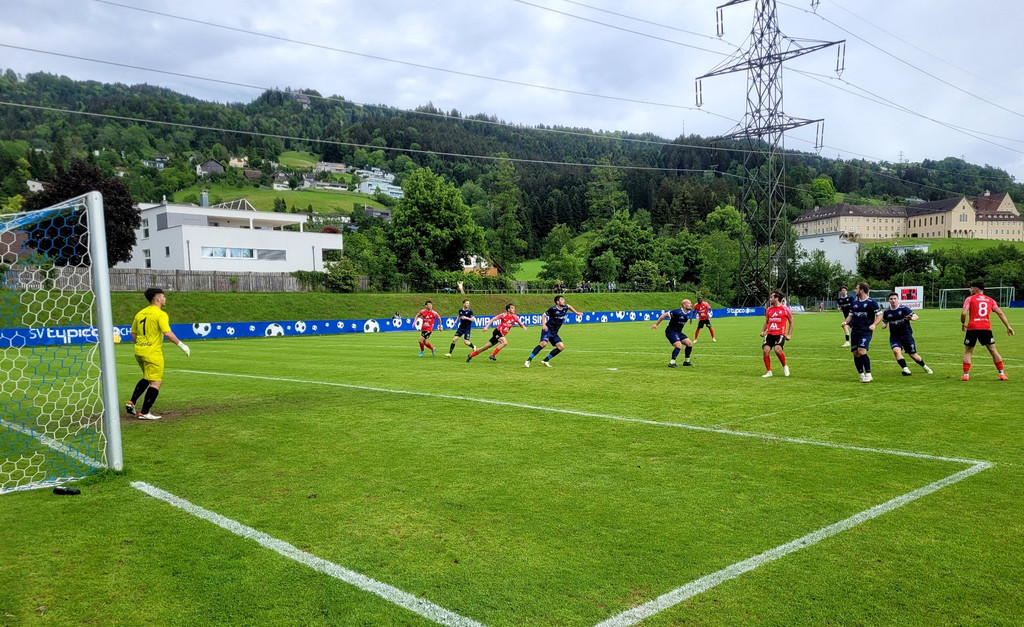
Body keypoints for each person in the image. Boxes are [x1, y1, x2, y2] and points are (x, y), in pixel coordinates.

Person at [125, 288, 190, 420]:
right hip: (152, 353)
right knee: (156, 382)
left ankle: (131, 402)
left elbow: (133, 333)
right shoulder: (160, 314)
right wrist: (182, 346)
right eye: (164, 297)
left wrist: (141, 344)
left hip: (139, 351)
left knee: (147, 377)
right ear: (158, 299)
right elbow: (167, 333)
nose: (165, 299)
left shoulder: (140, 313)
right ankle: (144, 413)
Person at [961, 280, 1015, 381]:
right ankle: (1002, 374)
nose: (970, 290)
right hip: (985, 328)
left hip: (972, 328)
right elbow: (1000, 313)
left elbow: (964, 313)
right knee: (993, 350)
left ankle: (966, 375)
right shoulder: (990, 300)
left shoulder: (970, 299)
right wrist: (1008, 326)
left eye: (971, 288)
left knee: (968, 351)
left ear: (976, 289)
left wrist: (963, 323)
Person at [880, 292, 933, 376]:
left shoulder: (904, 309)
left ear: (898, 299)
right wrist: (884, 325)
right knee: (896, 351)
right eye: (891, 299)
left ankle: (925, 367)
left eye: (895, 299)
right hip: (895, 336)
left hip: (906, 335)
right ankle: (906, 369)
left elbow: (916, 316)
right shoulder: (887, 312)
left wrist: (911, 318)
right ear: (888, 300)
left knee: (913, 355)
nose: (893, 300)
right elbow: (885, 321)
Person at [525, 295, 582, 368]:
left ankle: (545, 360)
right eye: (562, 300)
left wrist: (576, 313)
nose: (564, 301)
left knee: (561, 347)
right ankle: (529, 360)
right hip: (548, 330)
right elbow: (543, 315)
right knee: (543, 344)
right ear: (557, 302)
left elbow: (569, 306)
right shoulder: (553, 309)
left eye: (563, 299)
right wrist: (544, 325)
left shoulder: (565, 307)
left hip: (554, 332)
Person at [843, 281, 883, 383]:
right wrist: (845, 322)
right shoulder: (854, 303)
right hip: (855, 331)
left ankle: (869, 374)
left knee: (861, 351)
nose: (855, 290)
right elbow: (850, 316)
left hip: (866, 331)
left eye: (856, 289)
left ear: (861, 290)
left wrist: (874, 324)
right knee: (855, 353)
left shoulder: (871, 302)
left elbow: (879, 315)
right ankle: (861, 374)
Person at [650, 299, 695, 368]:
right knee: (678, 345)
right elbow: (664, 315)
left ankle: (686, 361)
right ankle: (672, 363)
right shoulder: (676, 312)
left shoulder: (688, 313)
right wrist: (656, 324)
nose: (691, 305)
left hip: (678, 332)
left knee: (689, 343)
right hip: (670, 331)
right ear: (684, 305)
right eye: (689, 303)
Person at [760, 290, 793, 377]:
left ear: (776, 298)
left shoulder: (785, 310)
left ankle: (785, 366)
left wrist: (789, 334)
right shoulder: (769, 310)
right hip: (770, 333)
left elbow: (791, 322)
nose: (770, 299)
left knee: (777, 350)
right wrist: (763, 331)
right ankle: (769, 372)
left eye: (771, 297)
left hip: (780, 334)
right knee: (765, 350)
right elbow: (767, 321)